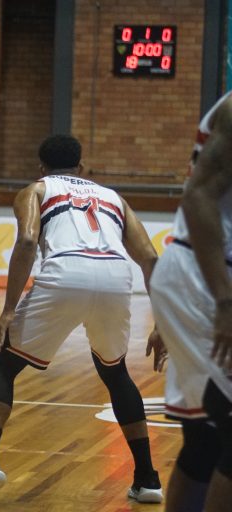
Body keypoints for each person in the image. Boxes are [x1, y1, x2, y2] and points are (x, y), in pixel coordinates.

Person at [0, 134, 166, 504]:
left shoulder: (36, 190)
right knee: (116, 374)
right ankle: (147, 478)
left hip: (66, 272)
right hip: (116, 277)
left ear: (41, 167)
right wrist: (162, 321)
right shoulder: (114, 198)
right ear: (81, 167)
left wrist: (8, 310)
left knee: (3, 366)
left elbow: (27, 242)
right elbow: (150, 258)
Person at [149, 93, 232, 512]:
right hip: (208, 277)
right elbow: (198, 196)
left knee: (204, 440)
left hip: (201, 275)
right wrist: (224, 301)